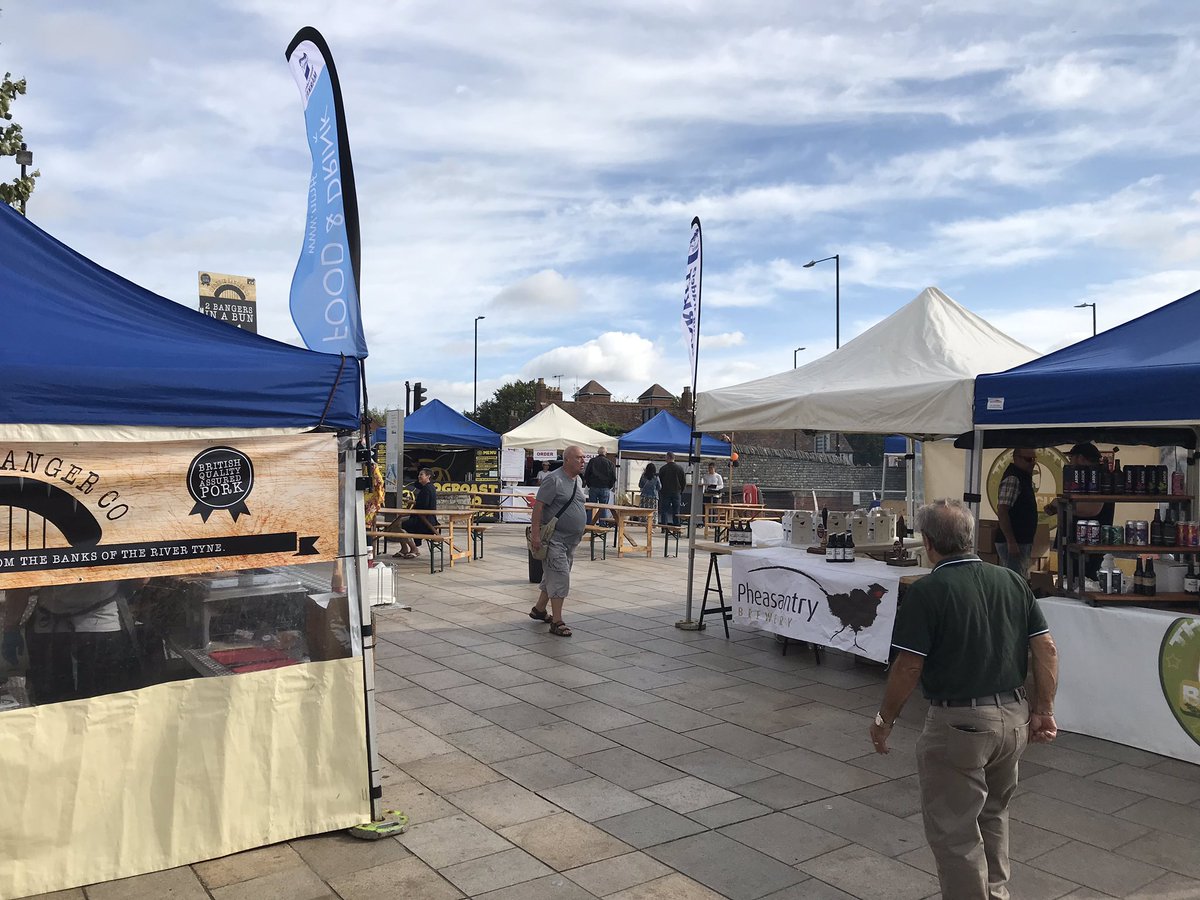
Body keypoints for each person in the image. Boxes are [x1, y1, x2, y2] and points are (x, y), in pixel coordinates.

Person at [869, 499, 1058, 900]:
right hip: (1013, 716)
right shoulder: (1011, 580)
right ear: (969, 537)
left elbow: (908, 667)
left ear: (928, 542)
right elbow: (1046, 649)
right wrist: (1044, 709)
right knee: (993, 814)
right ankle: (996, 894)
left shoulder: (929, 590)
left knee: (955, 831)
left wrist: (885, 719)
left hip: (960, 722)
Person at [7, 579, 145, 705]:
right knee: (104, 708)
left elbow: (20, 582)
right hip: (103, 627)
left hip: (50, 631)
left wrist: (11, 628)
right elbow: (141, 580)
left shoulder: (37, 549)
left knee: (52, 710)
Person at [529, 445, 587, 637]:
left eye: (583, 458)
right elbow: (538, 507)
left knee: (553, 575)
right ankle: (557, 621)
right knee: (560, 576)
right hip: (555, 539)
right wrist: (536, 535)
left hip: (571, 541)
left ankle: (539, 610)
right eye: (579, 458)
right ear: (568, 460)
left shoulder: (577, 480)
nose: (583, 461)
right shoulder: (553, 479)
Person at [1043, 442, 1113, 581]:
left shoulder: (1098, 476)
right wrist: (1057, 508)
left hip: (1089, 545)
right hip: (1074, 543)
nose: (1070, 461)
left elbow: (1092, 510)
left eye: (1072, 458)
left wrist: (1060, 505)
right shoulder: (1081, 477)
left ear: (1080, 458)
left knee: (1084, 583)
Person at [995, 448, 1038, 579]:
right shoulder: (1013, 478)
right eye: (1028, 459)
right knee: (1015, 581)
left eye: (1035, 460)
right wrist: (1011, 542)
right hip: (1015, 541)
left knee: (1017, 579)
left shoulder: (1022, 476)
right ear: (1016, 458)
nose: (1032, 463)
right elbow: (1002, 510)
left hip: (1020, 540)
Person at [394, 468, 436, 560]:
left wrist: (413, 503)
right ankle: (404, 549)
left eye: (421, 475)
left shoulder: (427, 489)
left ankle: (414, 549)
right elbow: (417, 485)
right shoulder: (428, 487)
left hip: (425, 520)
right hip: (424, 517)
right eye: (419, 474)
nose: (419, 476)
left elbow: (424, 506)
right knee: (397, 522)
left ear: (428, 476)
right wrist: (413, 502)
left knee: (400, 525)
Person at [583, 447, 616, 525]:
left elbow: (587, 474)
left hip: (593, 486)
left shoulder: (592, 461)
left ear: (598, 452)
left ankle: (589, 524)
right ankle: (602, 524)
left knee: (591, 506)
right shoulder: (610, 463)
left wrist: (589, 484)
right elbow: (613, 477)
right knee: (603, 507)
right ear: (606, 453)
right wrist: (609, 486)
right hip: (605, 488)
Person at [658, 452, 686, 527]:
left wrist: (661, 490)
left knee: (664, 510)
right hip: (676, 492)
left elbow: (660, 481)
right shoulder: (680, 468)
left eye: (665, 457)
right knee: (676, 511)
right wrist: (681, 491)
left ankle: (664, 527)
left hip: (665, 492)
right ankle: (676, 526)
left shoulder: (663, 469)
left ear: (668, 457)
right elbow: (683, 481)